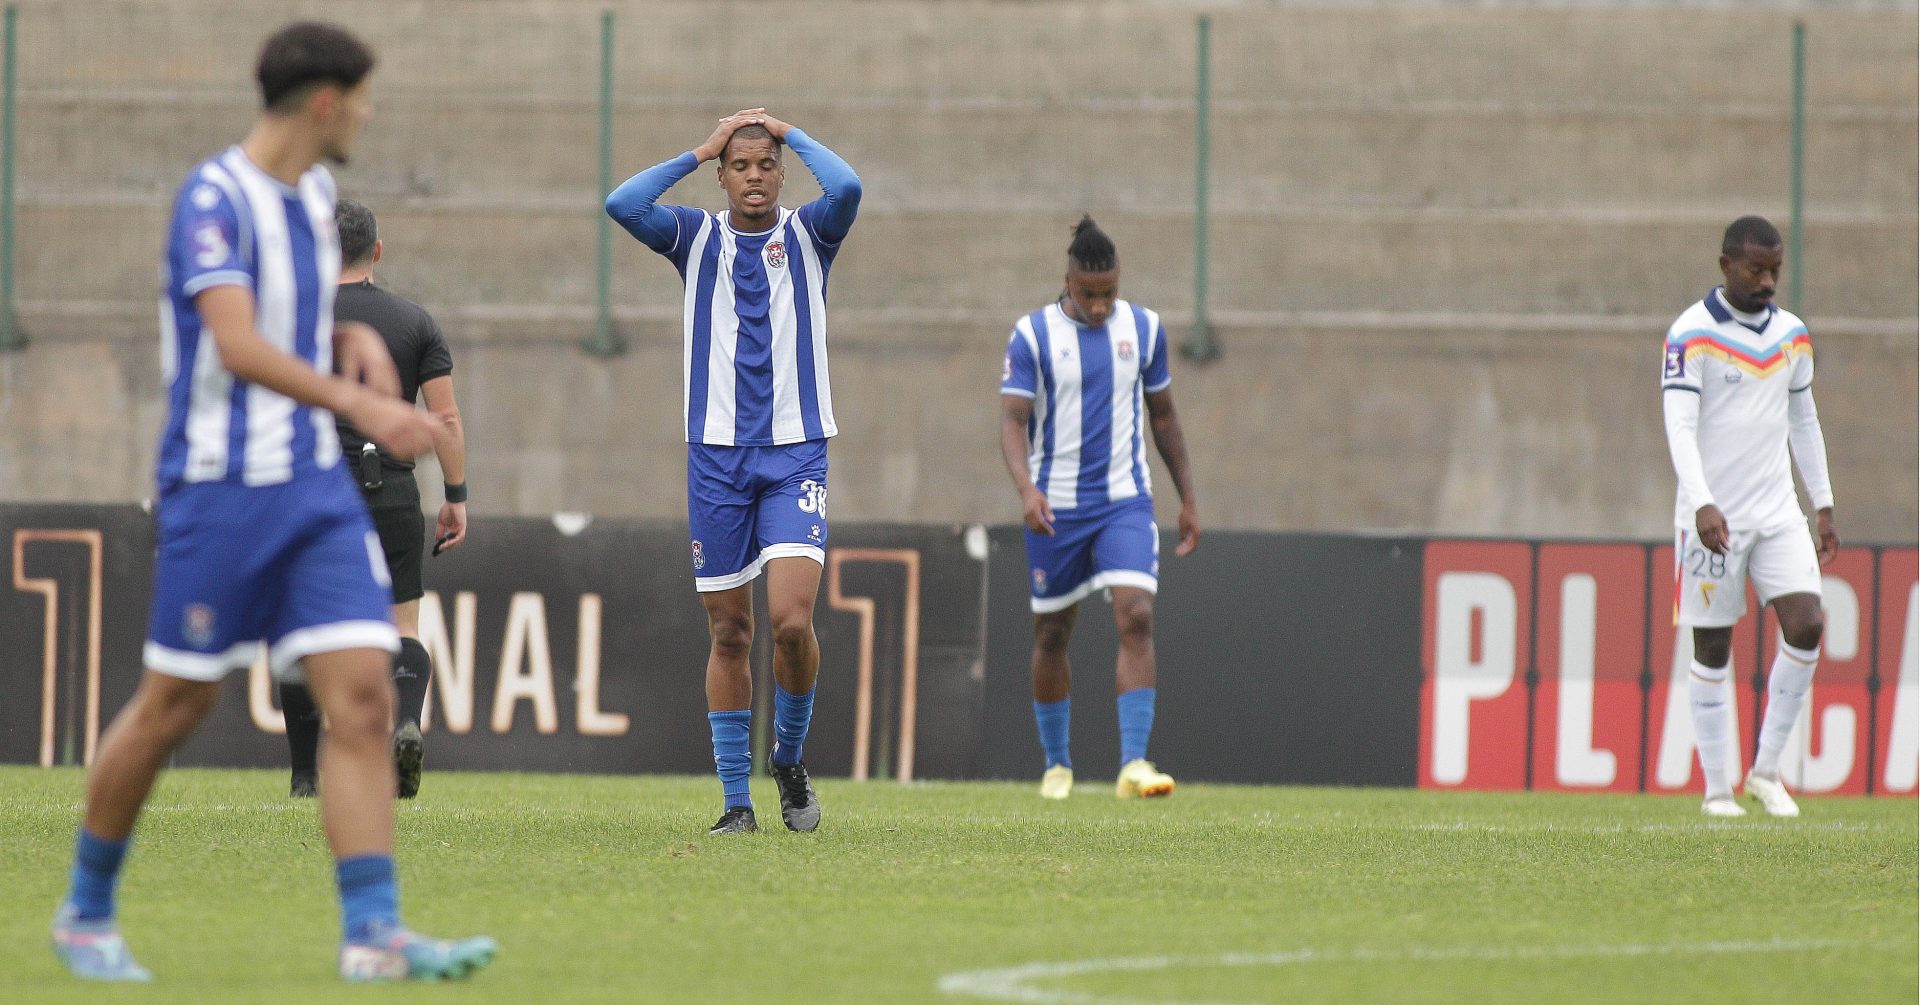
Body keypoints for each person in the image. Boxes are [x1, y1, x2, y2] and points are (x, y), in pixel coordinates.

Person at [50, 22, 495, 982]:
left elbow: (296, 327)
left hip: (314, 488)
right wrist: (364, 401)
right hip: (222, 489)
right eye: (362, 98)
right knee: (175, 703)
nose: (368, 115)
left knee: (366, 693)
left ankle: (373, 934)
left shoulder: (317, 197)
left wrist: (352, 347)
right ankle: (85, 912)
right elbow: (238, 344)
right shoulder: (215, 199)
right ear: (327, 102)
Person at [606, 109, 861, 835]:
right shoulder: (695, 237)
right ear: (722, 176)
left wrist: (791, 131)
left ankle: (788, 757)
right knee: (729, 632)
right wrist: (700, 148)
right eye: (740, 166)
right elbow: (622, 203)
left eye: (766, 165)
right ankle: (735, 803)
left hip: (795, 451)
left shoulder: (810, 234)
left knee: (791, 622)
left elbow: (848, 186)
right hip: (715, 457)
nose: (754, 177)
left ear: (782, 174)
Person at [998, 216, 1200, 800]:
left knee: (1136, 614)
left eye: (1108, 293)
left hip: (1123, 502)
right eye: (1088, 293)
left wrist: (1188, 498)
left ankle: (1134, 764)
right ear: (1067, 281)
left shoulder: (1145, 329)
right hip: (1055, 507)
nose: (1099, 305)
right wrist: (1026, 489)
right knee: (1052, 632)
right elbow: (1012, 422)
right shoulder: (1033, 335)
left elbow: (1164, 416)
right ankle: (1057, 765)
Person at [280, 199, 468, 801]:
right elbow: (445, 419)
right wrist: (456, 495)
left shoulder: (294, 318)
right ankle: (405, 723)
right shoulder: (415, 322)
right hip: (387, 486)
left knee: (303, 627)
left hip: (313, 488)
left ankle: (305, 776)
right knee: (401, 623)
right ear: (377, 251)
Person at [1663, 214, 1838, 819]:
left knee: (1807, 624)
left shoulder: (1791, 335)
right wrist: (1701, 500)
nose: (1767, 282)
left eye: (1775, 271)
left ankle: (1765, 771)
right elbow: (1679, 426)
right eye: (1756, 270)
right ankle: (1718, 790)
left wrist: (1822, 503)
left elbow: (1804, 420)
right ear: (1726, 266)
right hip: (1712, 517)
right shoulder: (1690, 334)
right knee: (1713, 647)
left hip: (1778, 511)